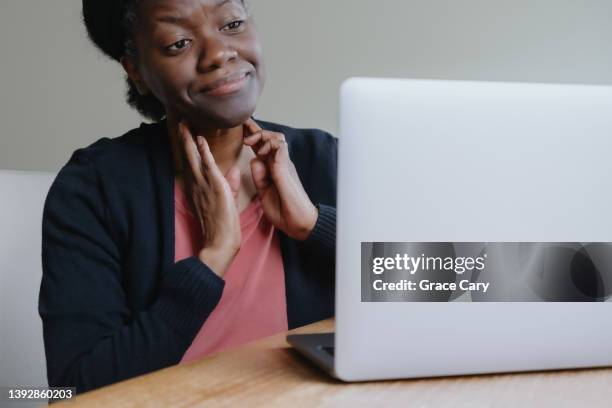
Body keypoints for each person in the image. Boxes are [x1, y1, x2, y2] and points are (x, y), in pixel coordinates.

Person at [39, 0, 336, 393]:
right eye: (178, 43)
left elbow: (441, 283)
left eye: (231, 23)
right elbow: (72, 389)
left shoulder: (323, 159)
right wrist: (210, 263)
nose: (218, 53)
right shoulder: (94, 190)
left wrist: (316, 225)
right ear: (137, 71)